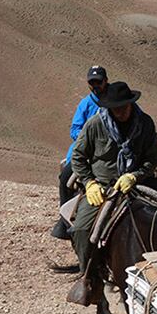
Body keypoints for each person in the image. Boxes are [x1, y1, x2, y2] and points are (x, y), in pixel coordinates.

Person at [69, 81, 157, 302]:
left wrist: (135, 175)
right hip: (104, 186)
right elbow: (78, 157)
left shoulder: (144, 123)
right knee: (82, 229)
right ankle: (89, 278)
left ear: (131, 104)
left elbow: (151, 159)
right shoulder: (96, 124)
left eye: (124, 107)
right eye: (116, 108)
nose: (121, 112)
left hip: (138, 180)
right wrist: (89, 183)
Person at [57, 66, 108, 208]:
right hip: (86, 149)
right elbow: (74, 129)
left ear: (106, 80)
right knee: (65, 178)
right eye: (92, 83)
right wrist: (88, 139)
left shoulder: (116, 98)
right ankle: (63, 218)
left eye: (99, 82)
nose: (95, 86)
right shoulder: (85, 103)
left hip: (114, 148)